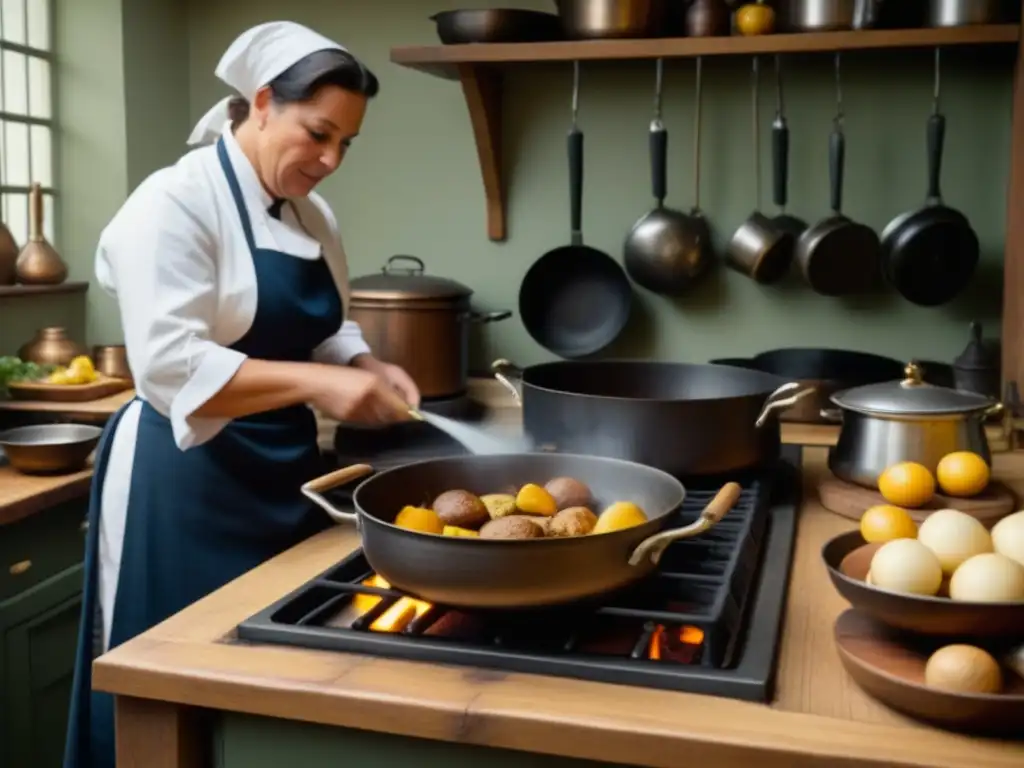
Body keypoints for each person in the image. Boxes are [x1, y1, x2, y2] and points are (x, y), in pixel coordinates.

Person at [63, 21, 418, 768]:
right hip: (182, 481)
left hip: (276, 472)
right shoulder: (173, 203)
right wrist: (327, 383)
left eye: (346, 144)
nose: (329, 160)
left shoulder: (313, 215)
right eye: (318, 133)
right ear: (261, 102)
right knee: (164, 686)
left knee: (260, 679)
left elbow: (327, 325)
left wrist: (365, 362)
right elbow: (168, 368)